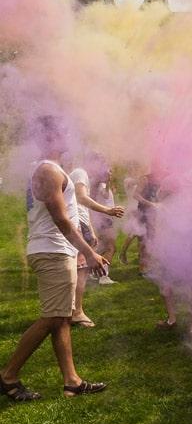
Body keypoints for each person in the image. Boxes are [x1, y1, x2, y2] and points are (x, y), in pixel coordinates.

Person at [1, 118, 109, 402]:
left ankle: (71, 381)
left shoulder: (49, 168)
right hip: (54, 250)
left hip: (55, 250)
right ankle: (8, 375)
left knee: (61, 318)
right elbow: (60, 218)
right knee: (53, 317)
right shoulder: (48, 170)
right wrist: (88, 251)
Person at [68, 159, 125, 327]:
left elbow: (81, 206)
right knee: (81, 270)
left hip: (81, 224)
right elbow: (81, 198)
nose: (108, 173)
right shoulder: (80, 173)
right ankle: (77, 312)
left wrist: (91, 230)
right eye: (105, 168)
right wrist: (108, 210)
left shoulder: (82, 176)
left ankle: (71, 310)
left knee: (78, 270)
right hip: (79, 224)